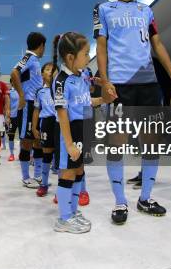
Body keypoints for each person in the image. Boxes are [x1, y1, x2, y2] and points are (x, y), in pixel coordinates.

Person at [93, 0, 171, 224]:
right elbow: (101, 46)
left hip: (148, 84)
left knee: (151, 143)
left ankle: (145, 198)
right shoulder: (103, 9)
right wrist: (106, 81)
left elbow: (158, 43)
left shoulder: (146, 10)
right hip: (120, 85)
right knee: (116, 144)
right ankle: (120, 201)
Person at [51, 32, 105, 233]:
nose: (88, 57)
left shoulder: (82, 76)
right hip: (69, 131)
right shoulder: (61, 81)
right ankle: (64, 218)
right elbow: (62, 113)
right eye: (85, 53)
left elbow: (86, 101)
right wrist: (69, 144)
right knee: (67, 172)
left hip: (83, 128)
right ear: (70, 57)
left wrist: (103, 100)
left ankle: (72, 211)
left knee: (79, 170)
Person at [10, 32, 47, 188]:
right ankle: (26, 177)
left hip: (37, 105)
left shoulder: (35, 61)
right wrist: (22, 95)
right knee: (27, 140)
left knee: (37, 139)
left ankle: (38, 175)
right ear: (41, 45)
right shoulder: (29, 57)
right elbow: (14, 72)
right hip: (29, 105)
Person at [32, 62, 57, 197]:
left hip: (59, 122)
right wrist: (35, 128)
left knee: (60, 156)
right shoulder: (40, 92)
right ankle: (44, 184)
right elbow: (36, 110)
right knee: (46, 154)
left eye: (53, 70)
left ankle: (62, 188)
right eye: (47, 69)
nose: (50, 71)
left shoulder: (61, 90)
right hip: (46, 122)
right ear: (42, 74)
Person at [7, 86, 19, 161]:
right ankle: (11, 154)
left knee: (22, 137)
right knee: (11, 135)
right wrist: (7, 117)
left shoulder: (23, 90)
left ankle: (22, 154)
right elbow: (7, 105)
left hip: (21, 116)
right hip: (12, 116)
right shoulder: (10, 92)